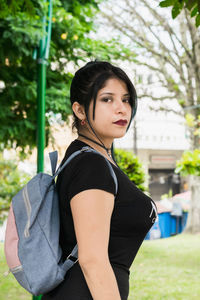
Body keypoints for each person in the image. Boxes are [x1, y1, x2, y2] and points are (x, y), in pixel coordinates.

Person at [42, 61, 157, 300]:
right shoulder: (91, 165)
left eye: (126, 99)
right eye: (107, 99)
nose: (121, 109)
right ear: (80, 110)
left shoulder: (91, 158)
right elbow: (93, 260)